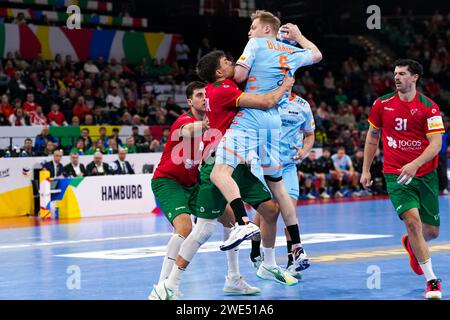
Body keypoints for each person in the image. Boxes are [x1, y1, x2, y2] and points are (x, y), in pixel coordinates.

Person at [150, 52, 296, 300]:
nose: (233, 63)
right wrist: (285, 83)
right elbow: (187, 130)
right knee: (199, 229)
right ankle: (168, 283)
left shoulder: (221, 93)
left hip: (230, 162)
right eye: (227, 62)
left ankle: (248, 272)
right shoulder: (212, 99)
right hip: (193, 173)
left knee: (269, 210)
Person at [210, 11, 321, 277]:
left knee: (219, 172)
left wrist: (222, 73)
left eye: (253, 27)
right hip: (274, 123)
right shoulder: (291, 52)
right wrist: (298, 37)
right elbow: (317, 55)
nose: (249, 32)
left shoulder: (257, 44)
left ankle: (242, 221)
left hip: (252, 117)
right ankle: (297, 246)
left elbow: (238, 77)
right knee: (279, 189)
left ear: (267, 30)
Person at [361, 59, 444, 300]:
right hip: (395, 173)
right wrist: (365, 169)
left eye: (403, 74)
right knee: (413, 222)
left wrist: (415, 163)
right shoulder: (382, 104)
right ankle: (432, 281)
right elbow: (372, 137)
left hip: (426, 175)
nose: (396, 78)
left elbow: (436, 144)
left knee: (432, 231)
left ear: (415, 77)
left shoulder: (429, 108)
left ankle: (411, 244)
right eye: (395, 74)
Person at [250, 92, 315, 278]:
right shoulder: (264, 99)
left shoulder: (302, 105)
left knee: (289, 209)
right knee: (268, 211)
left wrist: (304, 150)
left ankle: (292, 259)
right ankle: (255, 250)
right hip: (264, 163)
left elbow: (310, 134)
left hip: (287, 165)